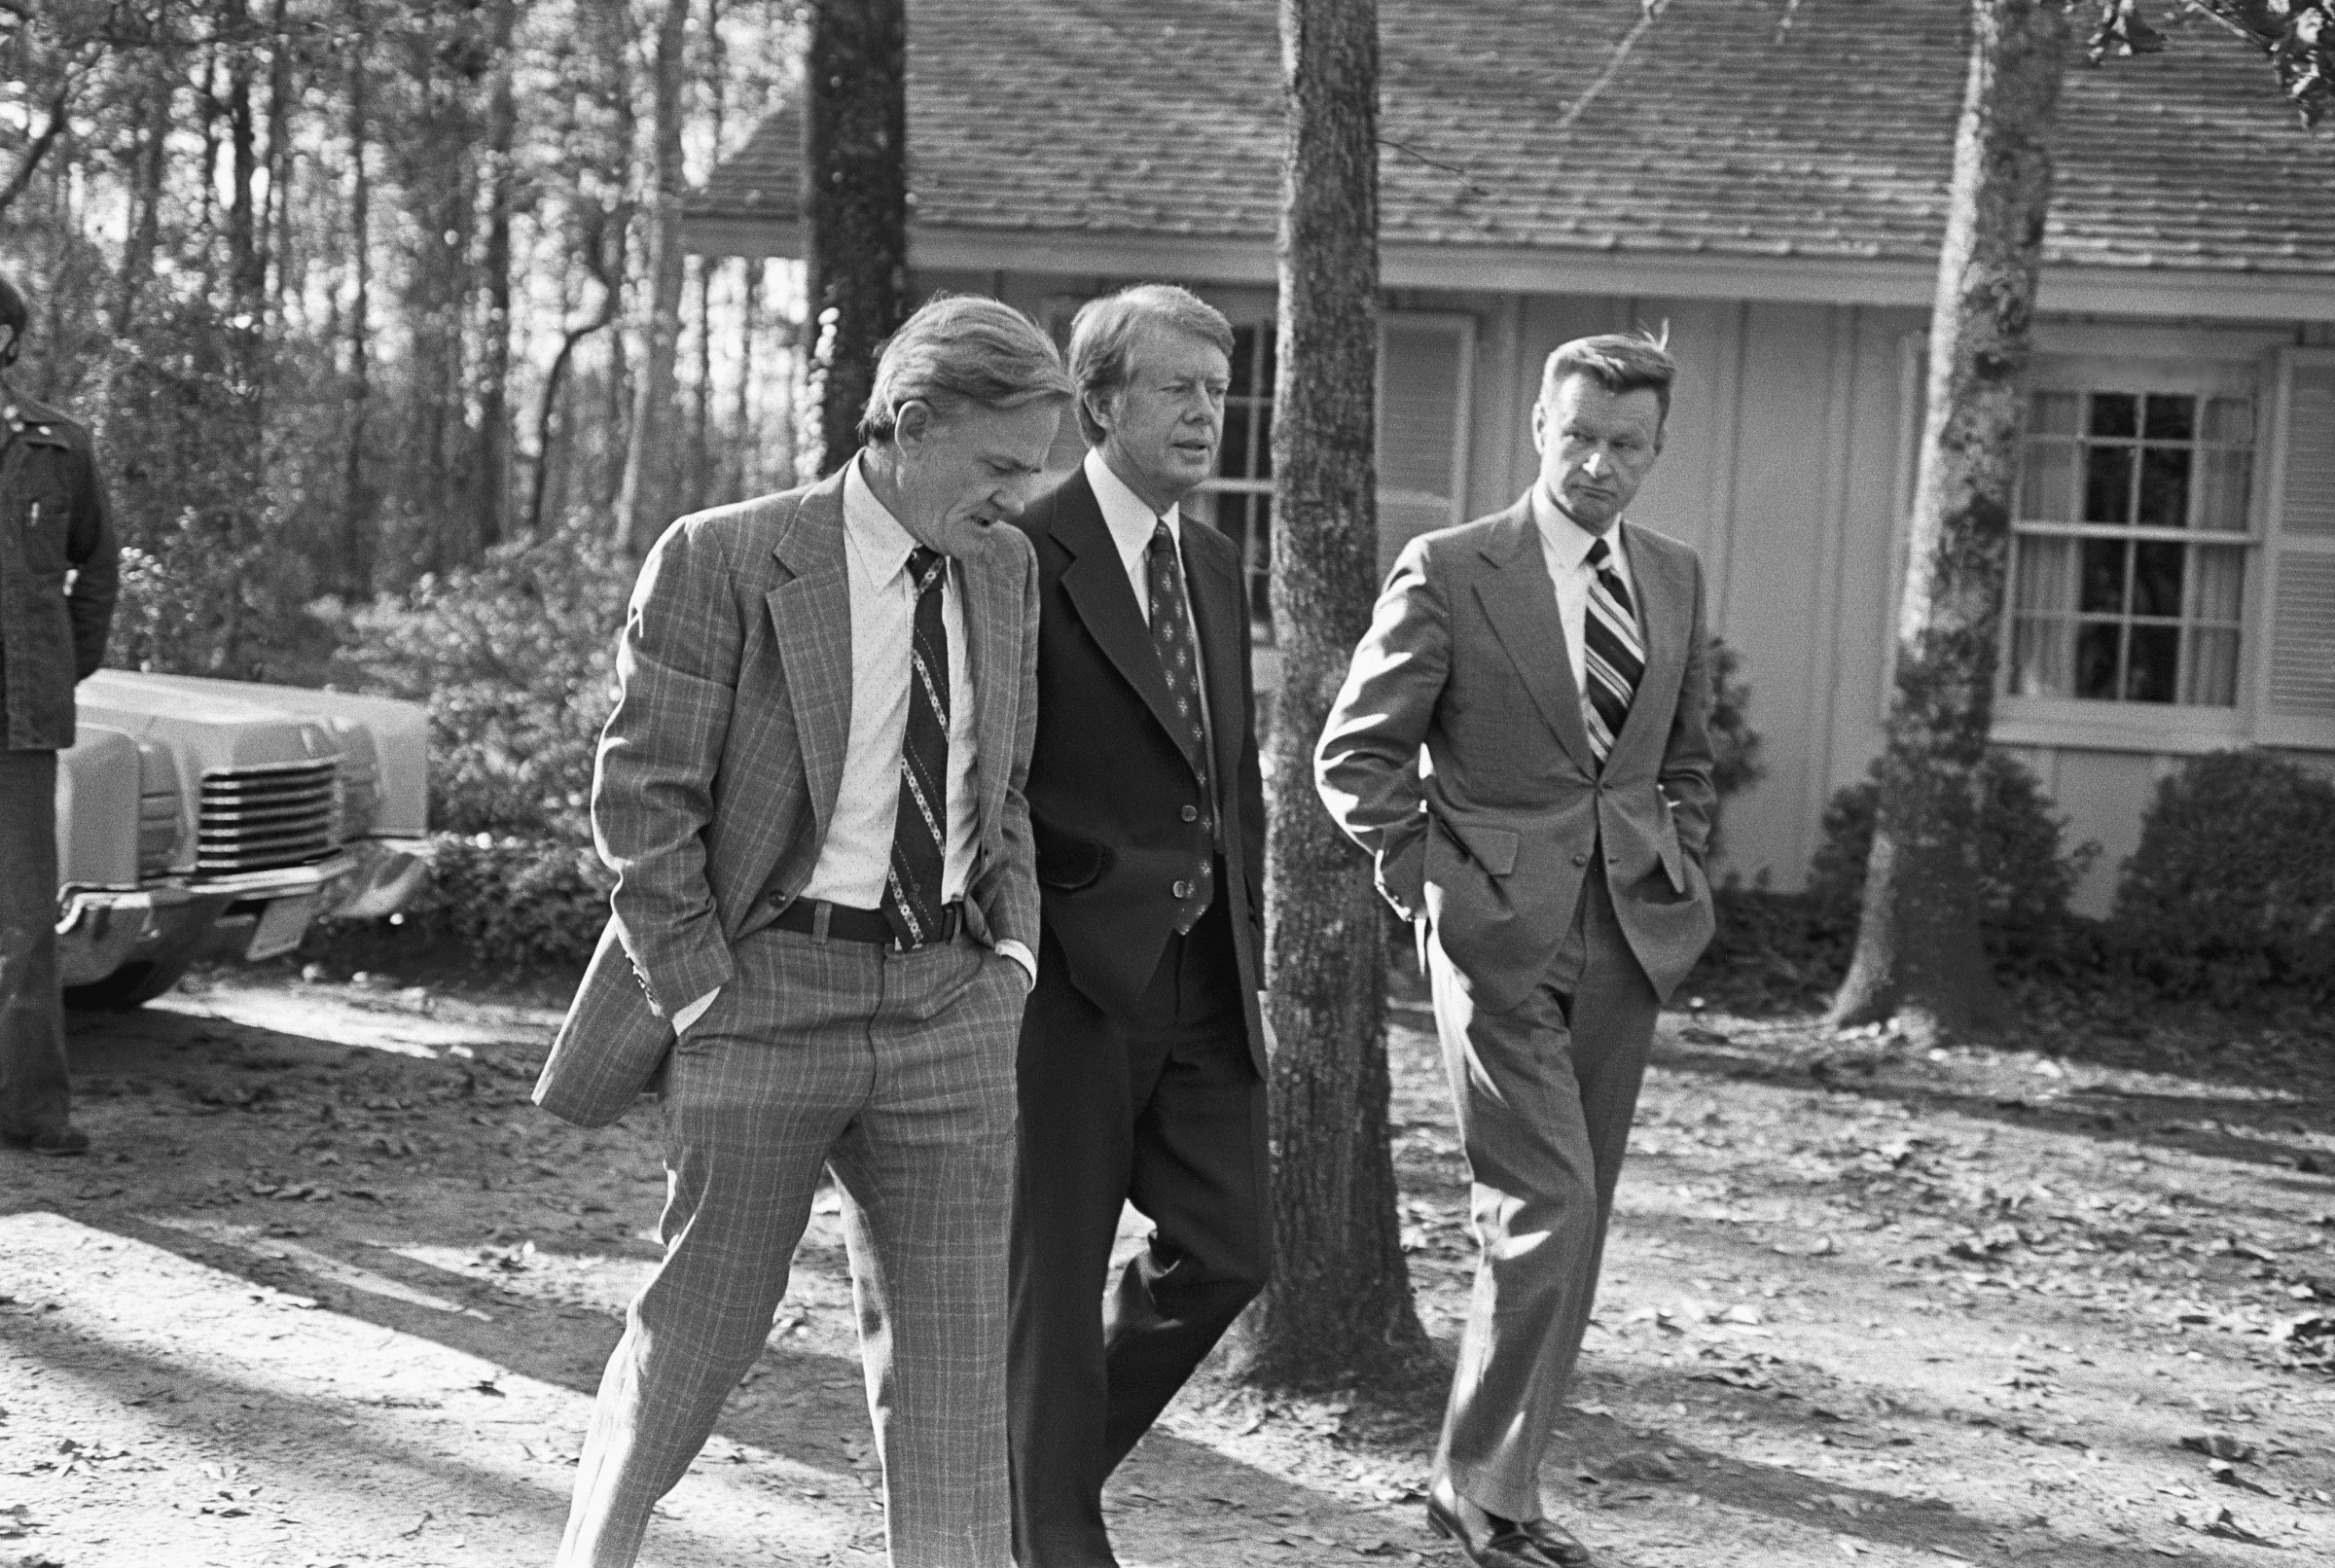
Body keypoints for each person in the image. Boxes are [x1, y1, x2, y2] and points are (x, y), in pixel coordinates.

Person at [532, 295, 1073, 1568]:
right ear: (912, 422)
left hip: (950, 1007)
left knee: (954, 1370)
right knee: (700, 1332)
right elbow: (641, 800)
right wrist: (702, 990)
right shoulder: (725, 554)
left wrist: (1014, 960)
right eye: (998, 465)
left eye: (1031, 473)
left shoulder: (1003, 570)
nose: (1014, 497)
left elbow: (1006, 791)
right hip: (761, 999)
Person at [1315, 333, 1716, 1568]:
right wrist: (1438, 887)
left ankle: (1508, 1485)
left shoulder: (1676, 574)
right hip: (1494, 934)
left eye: (1626, 445)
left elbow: (1684, 758)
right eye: (1580, 435)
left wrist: (1680, 856)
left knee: (1573, 1222)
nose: (1599, 464)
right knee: (1547, 1203)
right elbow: (1355, 758)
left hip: (1627, 930)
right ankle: (1474, 1493)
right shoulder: (1448, 569)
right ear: (1541, 427)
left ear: (1656, 451)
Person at [1005, 284, 1270, 1568]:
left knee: (1231, 1248)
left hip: (1205, 981)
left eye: (1218, 393)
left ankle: (1016, 1481)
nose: (1206, 414)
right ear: (1101, 403)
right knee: (1050, 1290)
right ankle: (1051, 1532)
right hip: (1064, 982)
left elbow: (1232, 778)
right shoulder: (1017, 548)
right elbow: (979, 778)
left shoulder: (1213, 563)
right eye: (1178, 389)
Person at [0, 269, 118, 1160]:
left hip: (21, 722)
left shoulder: (61, 448)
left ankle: (32, 1113)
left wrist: (57, 672)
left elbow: (97, 572)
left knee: (25, 923)